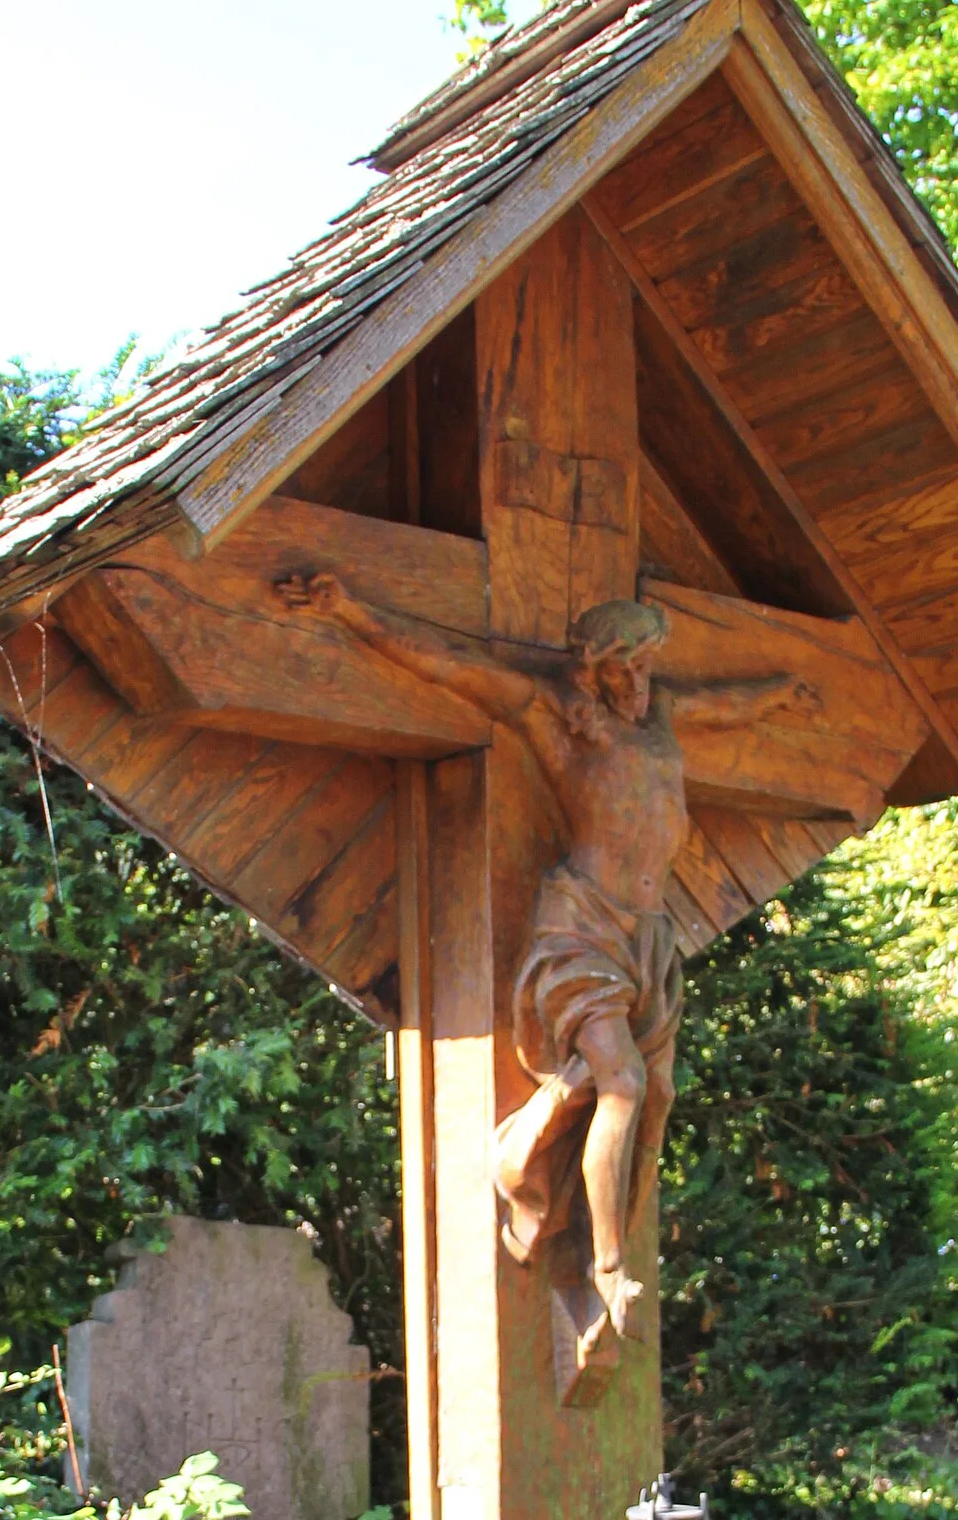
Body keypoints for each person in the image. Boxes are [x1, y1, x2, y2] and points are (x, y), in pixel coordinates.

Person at [273, 571, 817, 1382]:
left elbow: (727, 704)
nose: (636, 683)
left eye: (644, 666)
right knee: (625, 1085)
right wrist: (350, 607)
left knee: (654, 1097)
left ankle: (576, 1166)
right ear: (590, 672)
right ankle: (605, 1264)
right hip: (581, 927)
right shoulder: (557, 720)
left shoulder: (661, 713)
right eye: (620, 669)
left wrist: (785, 690)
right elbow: (448, 662)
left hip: (650, 940)